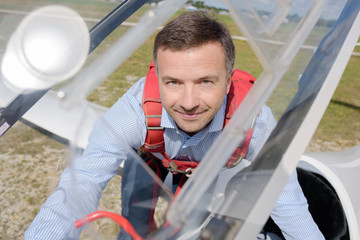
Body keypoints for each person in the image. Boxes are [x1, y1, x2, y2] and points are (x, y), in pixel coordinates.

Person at [25, 11, 325, 240]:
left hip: (207, 169)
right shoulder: (134, 112)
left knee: (191, 226)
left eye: (206, 81)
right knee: (135, 224)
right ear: (159, 79)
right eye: (173, 82)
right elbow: (82, 182)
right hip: (151, 157)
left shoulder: (254, 121)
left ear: (228, 80)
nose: (189, 102)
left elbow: (286, 200)